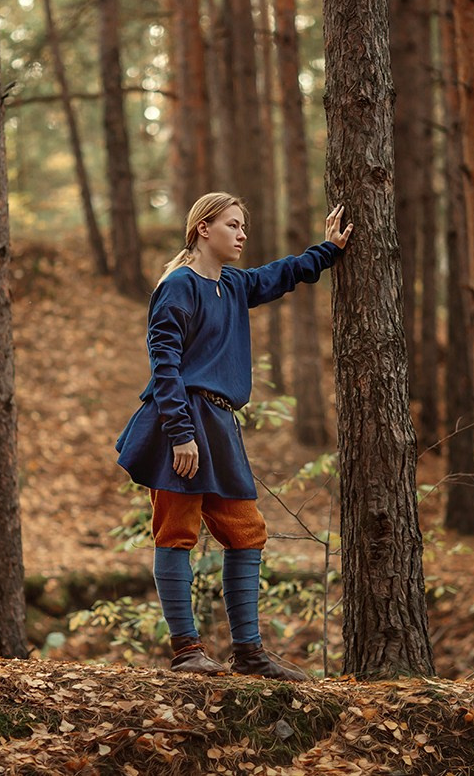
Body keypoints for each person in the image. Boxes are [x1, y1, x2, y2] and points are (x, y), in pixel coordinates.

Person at [115, 191, 353, 680]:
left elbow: (281, 275)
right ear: (204, 229)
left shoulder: (234, 284)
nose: (243, 235)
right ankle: (186, 652)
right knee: (176, 532)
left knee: (247, 533)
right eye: (233, 225)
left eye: (243, 226)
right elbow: (164, 366)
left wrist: (327, 250)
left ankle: (249, 653)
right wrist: (181, 433)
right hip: (178, 424)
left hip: (221, 426)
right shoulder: (177, 286)